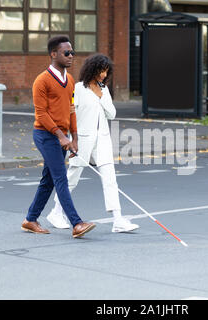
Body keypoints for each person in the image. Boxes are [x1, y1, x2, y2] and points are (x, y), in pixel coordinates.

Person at [46, 53, 139, 233]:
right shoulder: (79, 88)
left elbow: (112, 114)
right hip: (82, 139)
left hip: (102, 139)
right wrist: (70, 139)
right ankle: (56, 212)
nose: (104, 75)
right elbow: (70, 114)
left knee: (110, 178)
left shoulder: (104, 90)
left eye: (106, 72)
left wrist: (102, 95)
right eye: (101, 71)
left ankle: (118, 219)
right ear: (92, 70)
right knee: (73, 176)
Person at [21, 36, 95, 238]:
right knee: (60, 177)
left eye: (72, 52)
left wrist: (75, 138)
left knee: (49, 180)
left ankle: (30, 219)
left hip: (61, 135)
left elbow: (71, 110)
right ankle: (76, 223)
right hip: (45, 135)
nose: (71, 56)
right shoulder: (41, 80)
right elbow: (41, 114)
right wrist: (61, 136)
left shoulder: (70, 80)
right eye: (67, 53)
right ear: (54, 54)